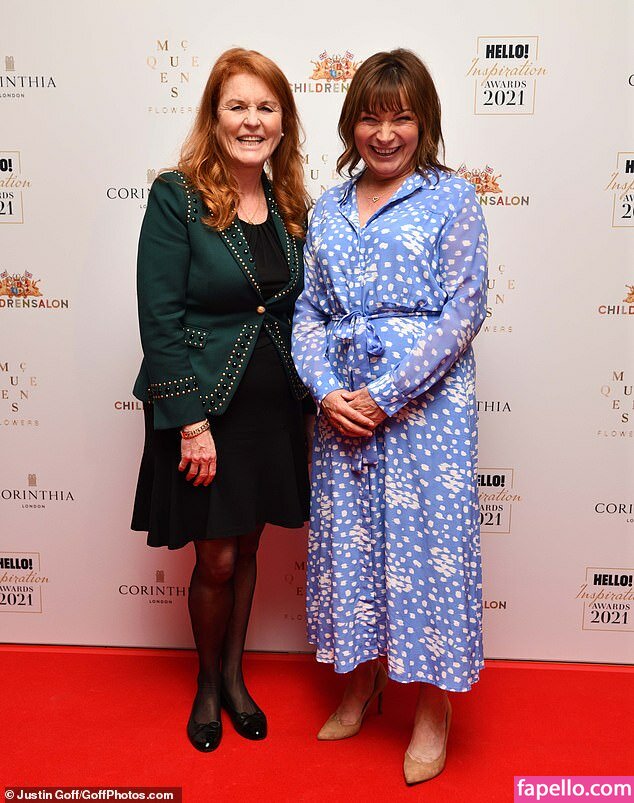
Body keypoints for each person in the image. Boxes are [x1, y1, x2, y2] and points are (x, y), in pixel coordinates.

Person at [291, 49, 488, 784]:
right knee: (353, 547)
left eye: (401, 117)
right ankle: (361, 680)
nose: (384, 133)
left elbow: (464, 309)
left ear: (423, 122)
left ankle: (433, 708)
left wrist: (388, 393)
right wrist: (325, 389)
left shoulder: (453, 198)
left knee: (431, 548)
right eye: (370, 117)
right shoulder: (328, 208)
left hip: (427, 412)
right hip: (342, 411)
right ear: (352, 123)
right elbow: (309, 312)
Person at [131, 47, 313, 753]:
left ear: (283, 122)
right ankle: (208, 687)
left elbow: (295, 312)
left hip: (272, 413)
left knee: (248, 546)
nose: (252, 120)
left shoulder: (292, 206)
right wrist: (190, 422)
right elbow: (159, 317)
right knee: (215, 561)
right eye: (237, 105)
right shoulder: (176, 196)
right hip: (205, 414)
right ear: (214, 116)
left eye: (266, 107)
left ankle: (236, 679)